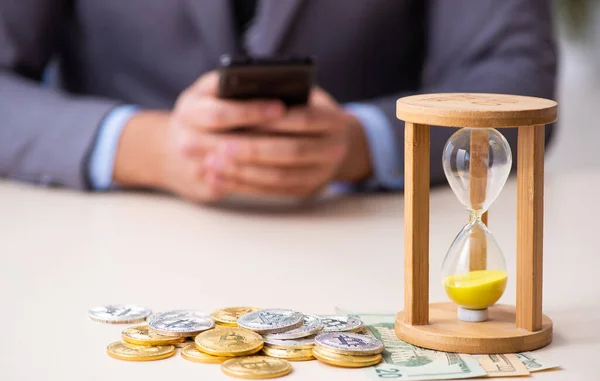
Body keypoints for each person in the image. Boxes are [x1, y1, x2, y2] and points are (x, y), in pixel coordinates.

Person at [0, 0, 556, 202]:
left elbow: (515, 82)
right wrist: (144, 145)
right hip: (100, 240)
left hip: (366, 232)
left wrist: (363, 142)